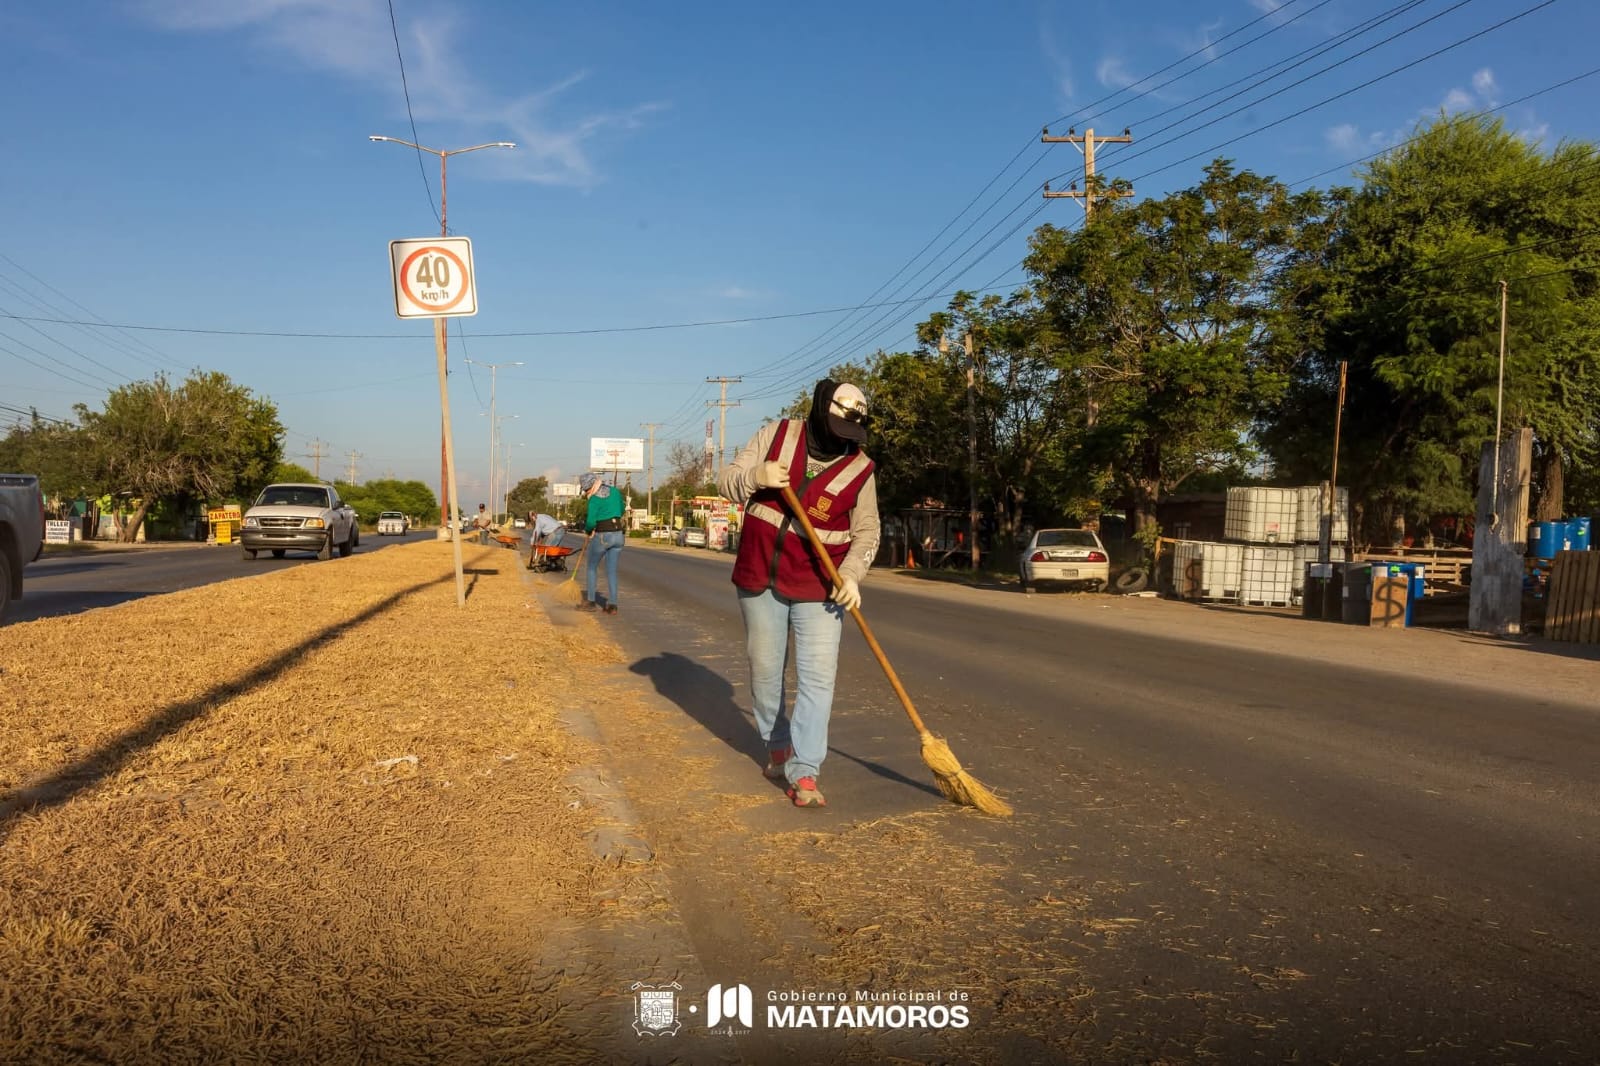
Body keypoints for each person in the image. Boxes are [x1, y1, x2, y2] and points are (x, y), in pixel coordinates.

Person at [717, 378, 880, 809]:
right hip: (761, 577)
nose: (845, 441)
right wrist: (756, 476)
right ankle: (776, 742)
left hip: (821, 586)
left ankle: (805, 770)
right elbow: (726, 481)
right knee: (766, 671)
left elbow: (868, 531)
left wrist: (851, 575)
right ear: (821, 410)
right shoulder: (775, 435)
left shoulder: (860, 468)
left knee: (818, 679)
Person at [579, 472, 626, 614]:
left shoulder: (594, 499)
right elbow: (622, 509)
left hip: (603, 535)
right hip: (619, 535)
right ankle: (612, 605)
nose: (587, 492)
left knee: (591, 567)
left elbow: (591, 521)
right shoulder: (615, 491)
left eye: (586, 489)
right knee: (611, 570)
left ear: (592, 485)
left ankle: (591, 602)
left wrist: (588, 530)